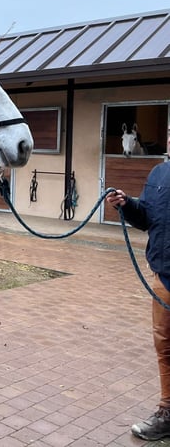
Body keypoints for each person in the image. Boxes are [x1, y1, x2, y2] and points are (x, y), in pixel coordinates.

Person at [106, 128, 170, 441]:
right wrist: (127, 204)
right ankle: (167, 411)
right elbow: (147, 218)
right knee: (165, 346)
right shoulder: (159, 173)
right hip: (164, 277)